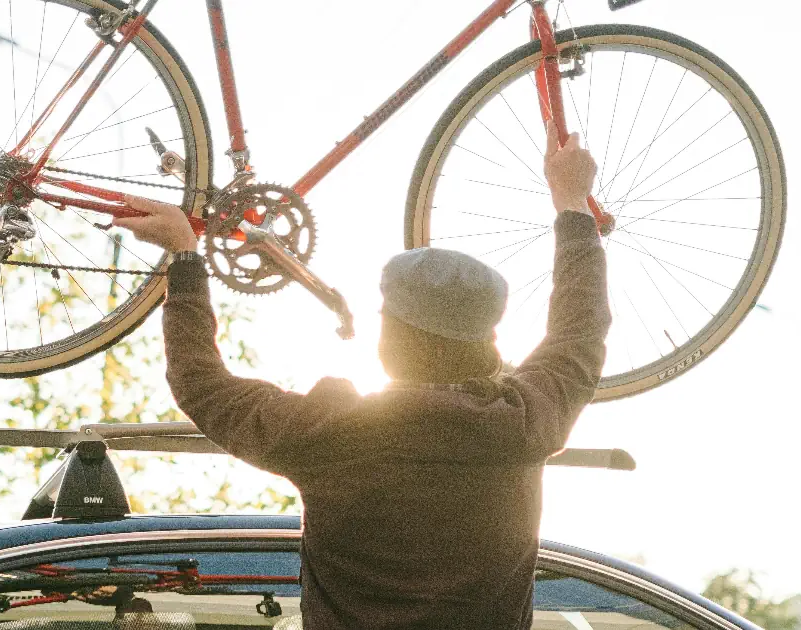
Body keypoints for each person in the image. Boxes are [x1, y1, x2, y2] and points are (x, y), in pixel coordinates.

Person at [111, 121, 609, 630]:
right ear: (488, 342)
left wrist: (186, 257)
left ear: (387, 342)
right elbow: (580, 330)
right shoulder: (522, 425)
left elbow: (200, 382)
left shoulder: (329, 430)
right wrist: (572, 202)